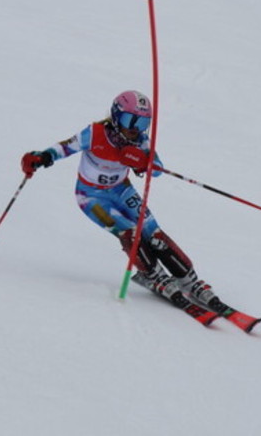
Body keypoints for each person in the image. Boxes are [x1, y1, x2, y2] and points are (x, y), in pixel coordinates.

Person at [21, 90, 229, 314]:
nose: (135, 129)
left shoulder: (141, 142)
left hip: (121, 191)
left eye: (142, 123)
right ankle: (152, 274)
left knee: (153, 232)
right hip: (91, 197)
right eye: (131, 120)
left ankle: (189, 279)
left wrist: (145, 163)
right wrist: (43, 157)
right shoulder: (95, 133)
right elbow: (65, 147)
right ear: (116, 116)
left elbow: (157, 170)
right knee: (130, 233)